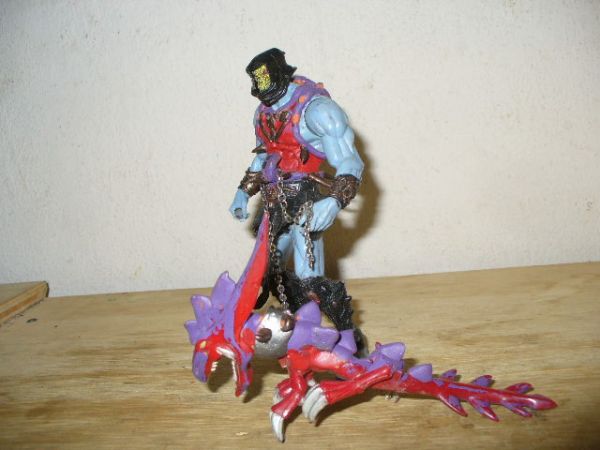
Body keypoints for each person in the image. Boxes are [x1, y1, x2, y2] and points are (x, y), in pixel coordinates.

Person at [229, 48, 365, 351]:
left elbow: (350, 162)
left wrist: (334, 201)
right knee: (263, 272)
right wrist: (243, 191)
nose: (268, 96)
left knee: (309, 280)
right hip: (273, 203)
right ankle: (292, 330)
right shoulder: (263, 113)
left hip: (305, 203)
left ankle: (348, 337)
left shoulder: (318, 111)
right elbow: (263, 155)